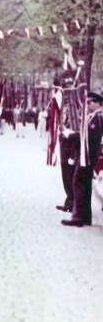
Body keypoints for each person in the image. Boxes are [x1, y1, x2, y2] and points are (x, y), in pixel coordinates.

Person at [61, 92, 103, 227]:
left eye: (92, 102)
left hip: (88, 156)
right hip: (87, 155)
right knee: (85, 185)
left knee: (77, 182)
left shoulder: (98, 118)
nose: (89, 104)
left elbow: (89, 136)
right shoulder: (95, 117)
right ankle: (85, 216)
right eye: (88, 102)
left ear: (99, 103)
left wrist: (72, 136)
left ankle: (78, 216)